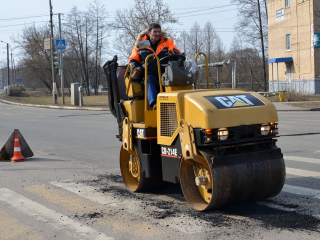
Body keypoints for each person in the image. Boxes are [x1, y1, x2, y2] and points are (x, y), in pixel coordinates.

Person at [129, 23, 182, 110]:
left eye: (159, 31)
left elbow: (178, 52)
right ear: (149, 33)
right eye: (155, 32)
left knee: (177, 80)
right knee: (148, 78)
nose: (157, 34)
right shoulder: (141, 45)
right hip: (150, 74)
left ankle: (178, 103)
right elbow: (133, 59)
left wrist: (173, 53)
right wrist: (136, 68)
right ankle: (154, 103)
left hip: (165, 73)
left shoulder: (167, 42)